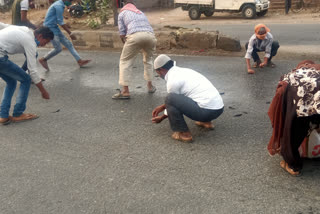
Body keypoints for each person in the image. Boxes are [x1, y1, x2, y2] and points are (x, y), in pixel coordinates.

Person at [151, 54, 224, 142]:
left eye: (157, 73)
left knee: (170, 98)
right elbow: (183, 97)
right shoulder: (184, 71)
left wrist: (162, 117)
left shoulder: (172, 81)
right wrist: (162, 107)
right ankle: (206, 122)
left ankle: (184, 134)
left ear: (161, 70)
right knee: (192, 97)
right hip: (218, 108)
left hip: (206, 111)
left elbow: (172, 101)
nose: (159, 75)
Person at [268, 60, 320, 176]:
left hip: (301, 97)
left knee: (292, 131)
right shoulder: (315, 69)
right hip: (312, 95)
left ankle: (293, 165)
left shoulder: (291, 77)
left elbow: (280, 104)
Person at [0, 23, 53, 125]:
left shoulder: (24, 29)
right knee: (26, 79)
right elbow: (32, 70)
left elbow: (2, 25)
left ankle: (3, 116)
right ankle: (18, 113)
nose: (44, 45)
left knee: (11, 82)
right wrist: (43, 91)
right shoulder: (30, 42)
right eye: (45, 42)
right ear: (40, 36)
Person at [112, 0, 157, 99]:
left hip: (135, 36)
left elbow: (122, 33)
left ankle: (125, 91)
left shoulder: (122, 13)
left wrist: (125, 43)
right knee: (148, 60)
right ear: (134, 6)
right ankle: (150, 86)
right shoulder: (140, 13)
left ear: (124, 5)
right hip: (150, 36)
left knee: (125, 61)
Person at [38, 0, 90, 71]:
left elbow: (58, 20)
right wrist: (70, 33)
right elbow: (60, 21)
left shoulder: (60, 4)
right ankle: (43, 59)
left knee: (69, 44)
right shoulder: (58, 6)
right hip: (50, 29)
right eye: (69, 0)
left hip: (54, 27)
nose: (70, 2)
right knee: (58, 48)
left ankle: (79, 61)